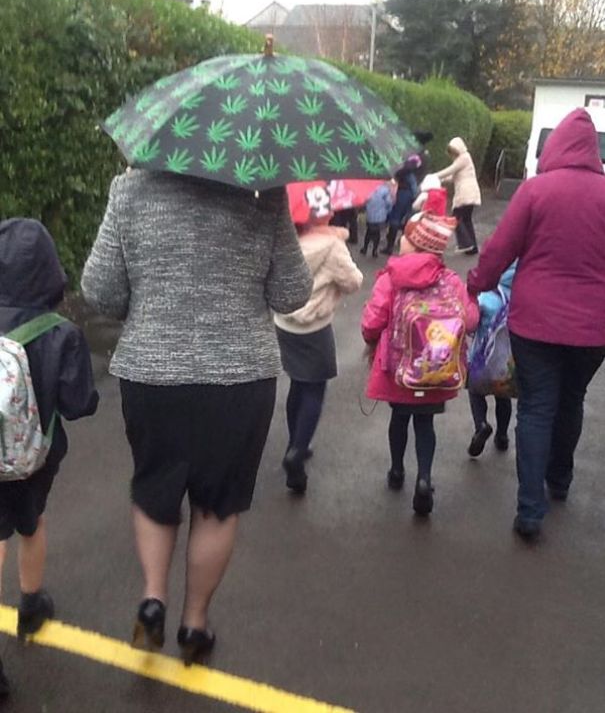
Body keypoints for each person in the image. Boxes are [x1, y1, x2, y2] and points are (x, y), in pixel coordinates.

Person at [81, 171, 312, 664]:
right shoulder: (263, 193)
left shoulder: (129, 189)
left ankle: (151, 599)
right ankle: (194, 625)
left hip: (151, 373)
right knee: (217, 505)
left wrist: (148, 301)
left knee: (154, 486)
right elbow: (293, 293)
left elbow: (100, 291)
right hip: (239, 378)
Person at [467, 108, 605, 542]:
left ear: (555, 146)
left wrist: (477, 285)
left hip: (536, 324)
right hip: (595, 327)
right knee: (572, 399)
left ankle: (530, 512)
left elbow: (499, 248)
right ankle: (559, 480)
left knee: (536, 407)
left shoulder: (535, 190)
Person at [0, 219, 98, 695]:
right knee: (30, 524)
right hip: (34, 460)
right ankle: (31, 604)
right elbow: (80, 405)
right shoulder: (60, 333)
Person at [362, 211, 479, 515]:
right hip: (437, 369)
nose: (399, 238)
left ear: (415, 243)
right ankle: (424, 479)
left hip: (399, 370)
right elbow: (470, 320)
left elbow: (372, 321)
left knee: (399, 419)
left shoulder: (391, 278)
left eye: (405, 235)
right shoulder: (450, 279)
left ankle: (397, 470)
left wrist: (371, 339)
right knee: (425, 423)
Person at [275, 216, 363, 493]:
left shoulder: (285, 237)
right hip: (315, 327)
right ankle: (297, 452)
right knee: (315, 389)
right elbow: (353, 282)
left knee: (298, 383)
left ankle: (295, 441)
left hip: (285, 323)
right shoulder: (331, 245)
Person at [467, 263, 516, 457]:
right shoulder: (522, 301)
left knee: (475, 392)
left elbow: (471, 324)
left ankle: (481, 424)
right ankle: (502, 435)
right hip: (507, 365)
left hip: (482, 362)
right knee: (503, 397)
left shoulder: (487, 299)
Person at [434, 137, 481, 255]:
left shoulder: (463, 158)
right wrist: (441, 179)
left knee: (456, 218)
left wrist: (434, 176)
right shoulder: (464, 159)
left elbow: (451, 170)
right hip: (471, 192)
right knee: (466, 219)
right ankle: (472, 247)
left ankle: (466, 244)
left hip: (465, 193)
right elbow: (452, 176)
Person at [381, 154, 422, 255]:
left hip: (403, 193)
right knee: (407, 219)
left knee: (395, 219)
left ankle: (390, 246)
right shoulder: (416, 166)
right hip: (411, 195)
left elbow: (400, 174)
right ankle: (405, 244)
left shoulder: (405, 168)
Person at [360, 181, 394, 257]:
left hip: (370, 214)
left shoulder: (369, 189)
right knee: (377, 233)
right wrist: (387, 211)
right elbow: (389, 203)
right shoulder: (385, 190)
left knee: (369, 231)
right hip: (381, 216)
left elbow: (364, 201)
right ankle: (374, 251)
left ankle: (365, 248)